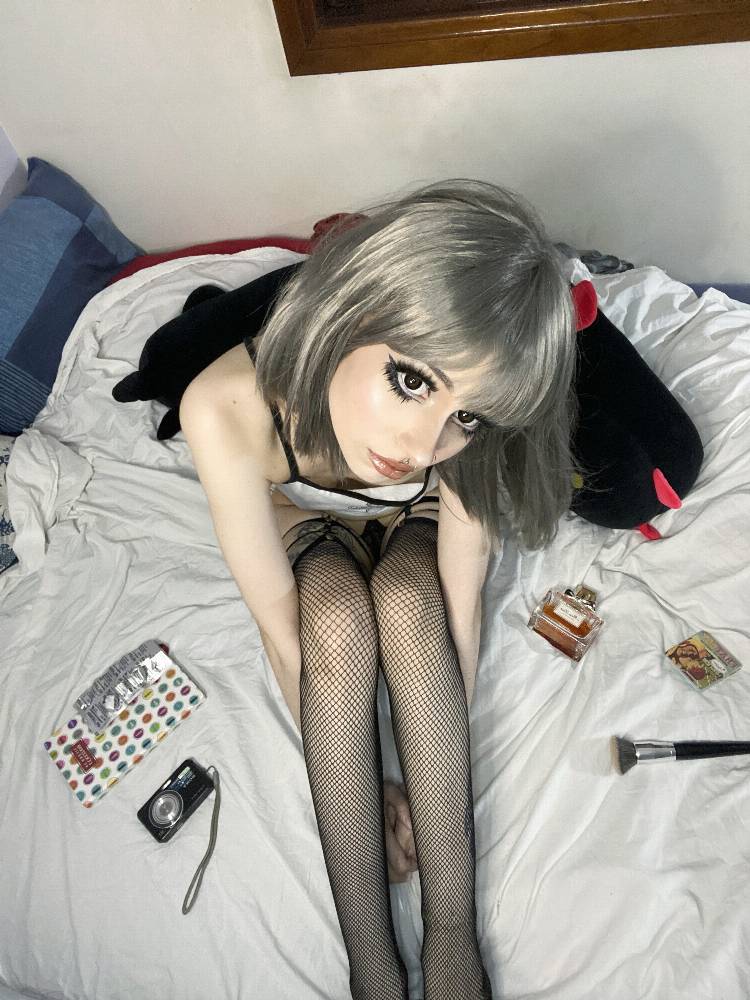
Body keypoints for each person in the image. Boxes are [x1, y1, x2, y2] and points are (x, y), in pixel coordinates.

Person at [178, 179, 577, 1000]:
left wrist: (432, 756)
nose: (425, 444)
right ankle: (371, 959)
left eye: (468, 416)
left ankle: (453, 933)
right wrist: (364, 782)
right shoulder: (222, 408)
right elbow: (283, 632)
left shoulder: (449, 441)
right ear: (350, 309)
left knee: (408, 603)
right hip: (307, 519)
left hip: (414, 522)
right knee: (330, 617)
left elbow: (459, 603)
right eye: (411, 381)